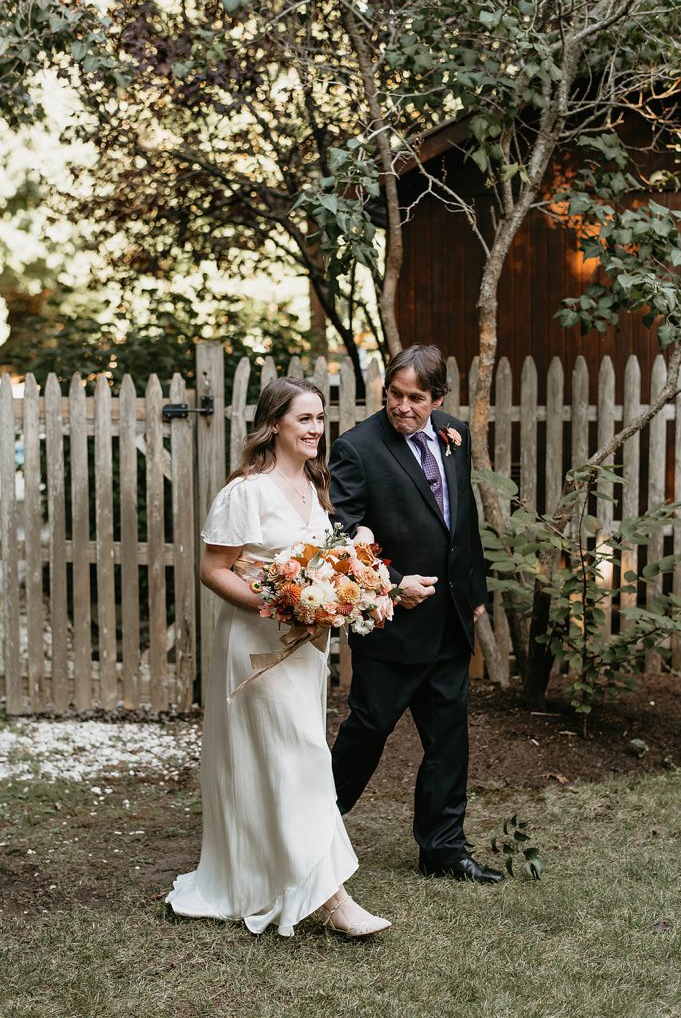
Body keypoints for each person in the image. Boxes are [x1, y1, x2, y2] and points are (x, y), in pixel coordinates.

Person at [166, 377, 391, 938]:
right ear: (275, 425)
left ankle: (272, 875)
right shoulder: (246, 492)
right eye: (305, 419)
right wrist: (277, 608)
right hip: (255, 646)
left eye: (320, 418)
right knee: (301, 758)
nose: (316, 429)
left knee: (286, 759)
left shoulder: (316, 488)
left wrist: (345, 591)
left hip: (305, 649)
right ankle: (333, 900)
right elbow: (214, 569)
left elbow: (324, 564)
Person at [329, 345, 503, 884]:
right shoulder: (356, 448)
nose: (403, 407)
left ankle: (444, 850)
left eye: (416, 399)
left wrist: (473, 590)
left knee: (449, 740)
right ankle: (310, 832)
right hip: (391, 625)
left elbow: (462, 518)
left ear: (438, 399)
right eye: (395, 395)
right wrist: (391, 585)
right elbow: (340, 539)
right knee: (368, 732)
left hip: (449, 620)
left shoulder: (454, 433)